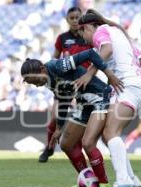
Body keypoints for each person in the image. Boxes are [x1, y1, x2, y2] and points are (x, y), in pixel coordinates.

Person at [21, 49, 121, 187]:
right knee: (66, 143)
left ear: (42, 69)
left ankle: (105, 185)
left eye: (35, 81)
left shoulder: (58, 66)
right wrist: (59, 128)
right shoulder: (48, 81)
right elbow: (63, 100)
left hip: (100, 98)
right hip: (84, 103)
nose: (36, 85)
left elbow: (90, 54)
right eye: (33, 84)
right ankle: (88, 179)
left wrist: (104, 74)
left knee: (88, 143)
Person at [76, 11, 141, 187]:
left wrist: (89, 74)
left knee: (110, 133)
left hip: (128, 86)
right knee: (109, 136)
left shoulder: (101, 32)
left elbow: (106, 51)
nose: (84, 39)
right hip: (133, 86)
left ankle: (123, 180)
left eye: (82, 33)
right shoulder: (121, 35)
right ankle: (132, 179)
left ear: (87, 27)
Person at [39, 7, 92, 163]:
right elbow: (54, 60)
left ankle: (81, 149)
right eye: (72, 18)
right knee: (56, 115)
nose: (75, 20)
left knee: (85, 117)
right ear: (67, 20)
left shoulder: (88, 36)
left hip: (85, 82)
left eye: (77, 17)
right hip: (66, 82)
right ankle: (49, 148)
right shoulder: (62, 38)